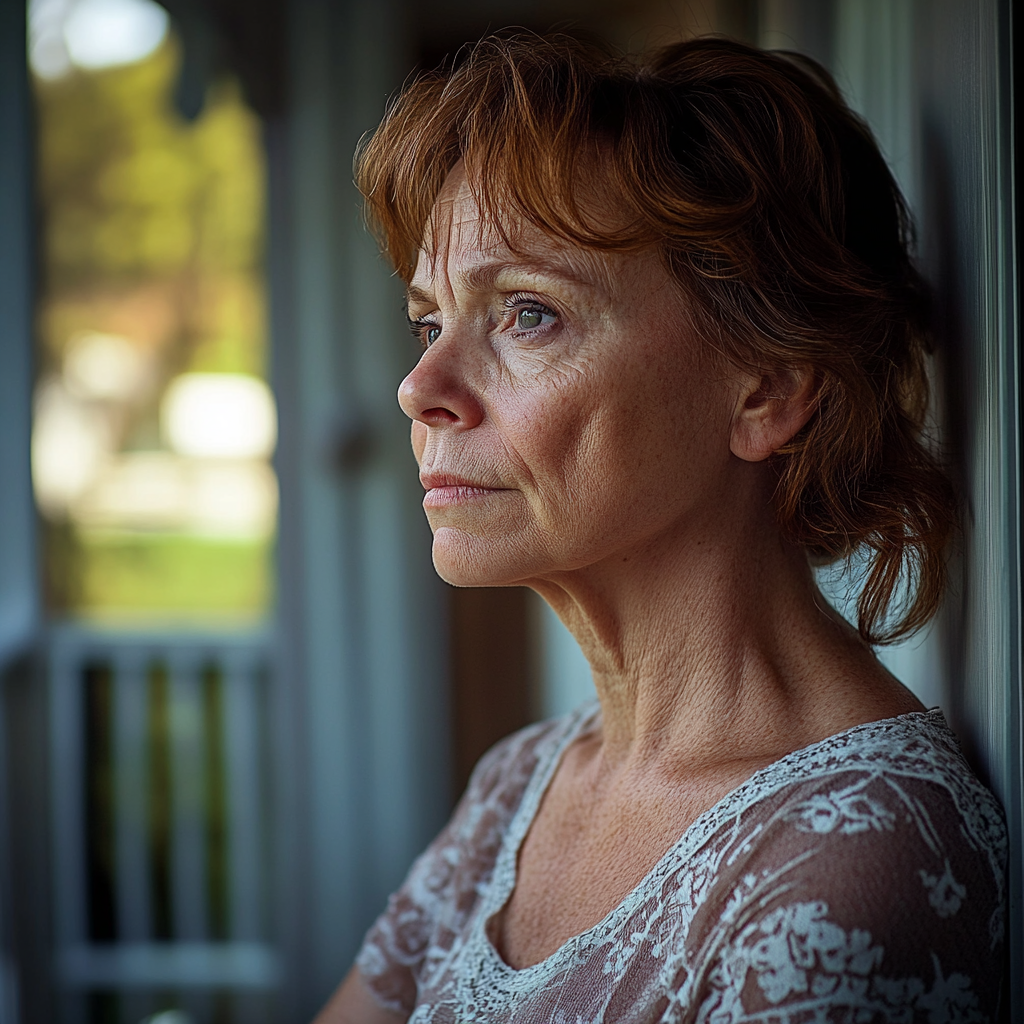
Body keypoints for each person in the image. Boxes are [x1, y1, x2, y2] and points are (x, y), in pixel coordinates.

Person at [315, 34, 1007, 1023]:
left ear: (765, 387)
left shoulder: (853, 858)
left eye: (527, 315)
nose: (419, 388)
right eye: (430, 324)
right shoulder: (521, 783)